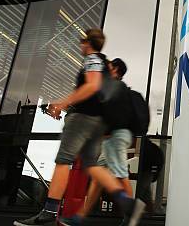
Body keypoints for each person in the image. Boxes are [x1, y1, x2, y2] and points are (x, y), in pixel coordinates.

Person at [14, 29, 138, 226]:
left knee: (63, 161)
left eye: (82, 41)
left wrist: (62, 103)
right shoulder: (105, 64)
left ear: (88, 43)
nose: (80, 45)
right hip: (98, 123)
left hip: (83, 119)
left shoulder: (93, 59)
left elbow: (91, 86)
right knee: (91, 165)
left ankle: (48, 212)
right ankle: (127, 203)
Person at [60, 58, 145, 226]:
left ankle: (131, 216)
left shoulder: (115, 89)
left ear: (115, 70)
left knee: (120, 175)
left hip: (116, 137)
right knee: (100, 178)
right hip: (112, 138)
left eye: (110, 66)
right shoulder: (116, 89)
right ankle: (79, 218)